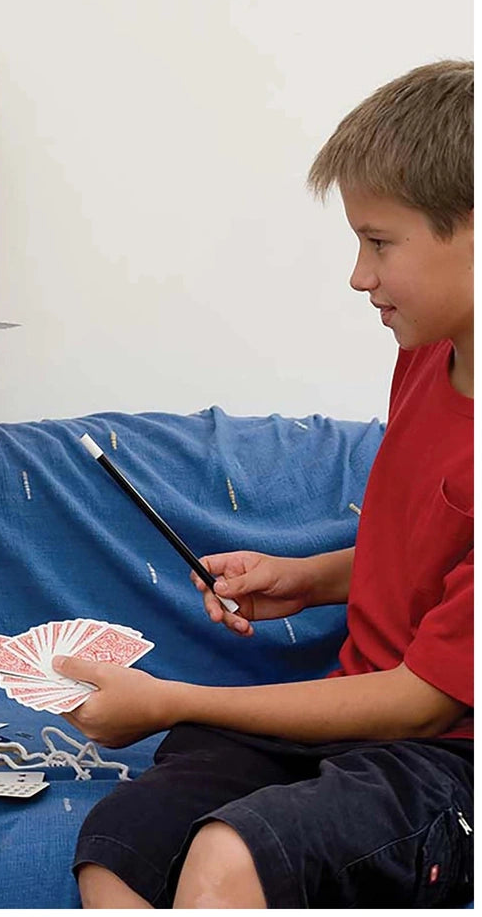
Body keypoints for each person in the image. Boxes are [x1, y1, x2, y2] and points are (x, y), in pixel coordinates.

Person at [54, 60, 473, 909]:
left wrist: (169, 697)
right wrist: (309, 578)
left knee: (228, 855)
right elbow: (438, 551)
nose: (360, 276)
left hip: (447, 756)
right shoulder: (428, 355)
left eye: (379, 243)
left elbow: (422, 703)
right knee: (118, 840)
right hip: (361, 718)